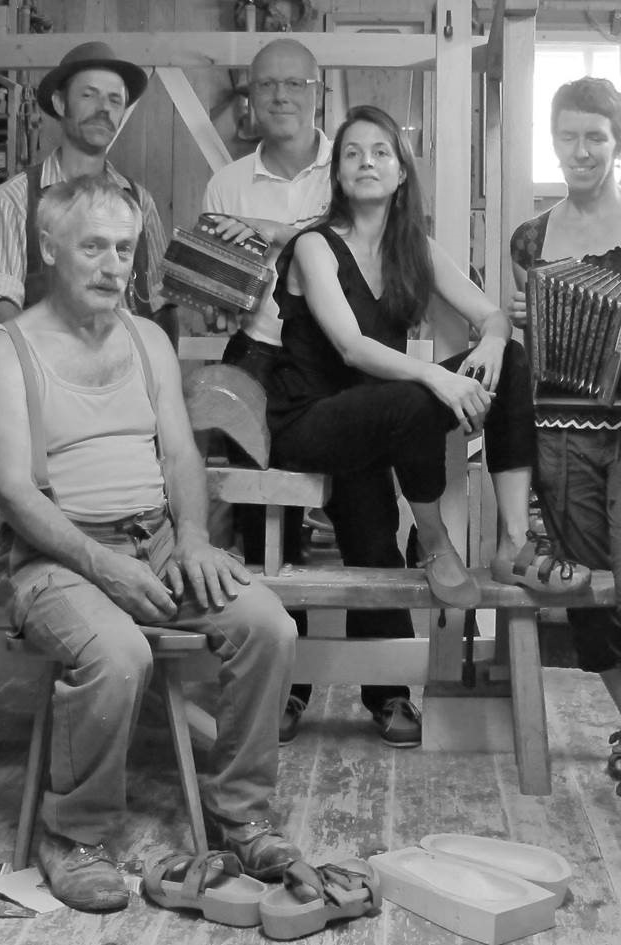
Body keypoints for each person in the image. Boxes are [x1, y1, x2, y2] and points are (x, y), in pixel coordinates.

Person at [0, 176, 301, 911]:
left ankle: (242, 813)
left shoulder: (148, 339)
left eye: (123, 249)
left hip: (157, 541)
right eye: (93, 247)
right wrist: (104, 567)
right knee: (121, 654)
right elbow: (14, 494)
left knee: (268, 626)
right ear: (49, 248)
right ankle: (74, 835)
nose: (112, 265)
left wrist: (192, 538)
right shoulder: (6, 351)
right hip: (55, 556)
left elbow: (179, 455)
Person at [265, 105, 591, 736]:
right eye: (352, 153)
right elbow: (353, 347)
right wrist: (439, 377)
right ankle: (437, 541)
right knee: (416, 395)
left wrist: (491, 340)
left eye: (380, 152)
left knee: (509, 363)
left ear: (401, 172)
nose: (366, 162)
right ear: (337, 174)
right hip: (311, 422)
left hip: (382, 421)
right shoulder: (313, 245)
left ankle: (511, 544)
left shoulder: (412, 248)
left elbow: (492, 314)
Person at [204, 39, 410, 747]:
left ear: (317, 93)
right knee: (268, 527)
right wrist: (211, 283)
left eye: (295, 84)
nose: (281, 96)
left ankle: (389, 687)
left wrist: (276, 234)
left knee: (369, 517)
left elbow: (368, 233)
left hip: (342, 356)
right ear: (250, 96)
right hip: (260, 355)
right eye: (267, 86)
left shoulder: (351, 160)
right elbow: (223, 283)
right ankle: (282, 688)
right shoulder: (228, 182)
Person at [509, 77, 621, 802]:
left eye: (595, 136)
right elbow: (534, 337)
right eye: (568, 136)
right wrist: (526, 320)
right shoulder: (531, 238)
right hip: (560, 430)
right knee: (583, 586)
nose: (580, 150)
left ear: (620, 143)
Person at [0, 41, 177, 343]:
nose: (104, 108)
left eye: (115, 100)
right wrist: (54, 362)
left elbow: (161, 303)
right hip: (46, 367)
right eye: (89, 95)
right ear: (60, 103)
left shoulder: (140, 201)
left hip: (128, 368)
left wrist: (160, 365)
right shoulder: (14, 199)